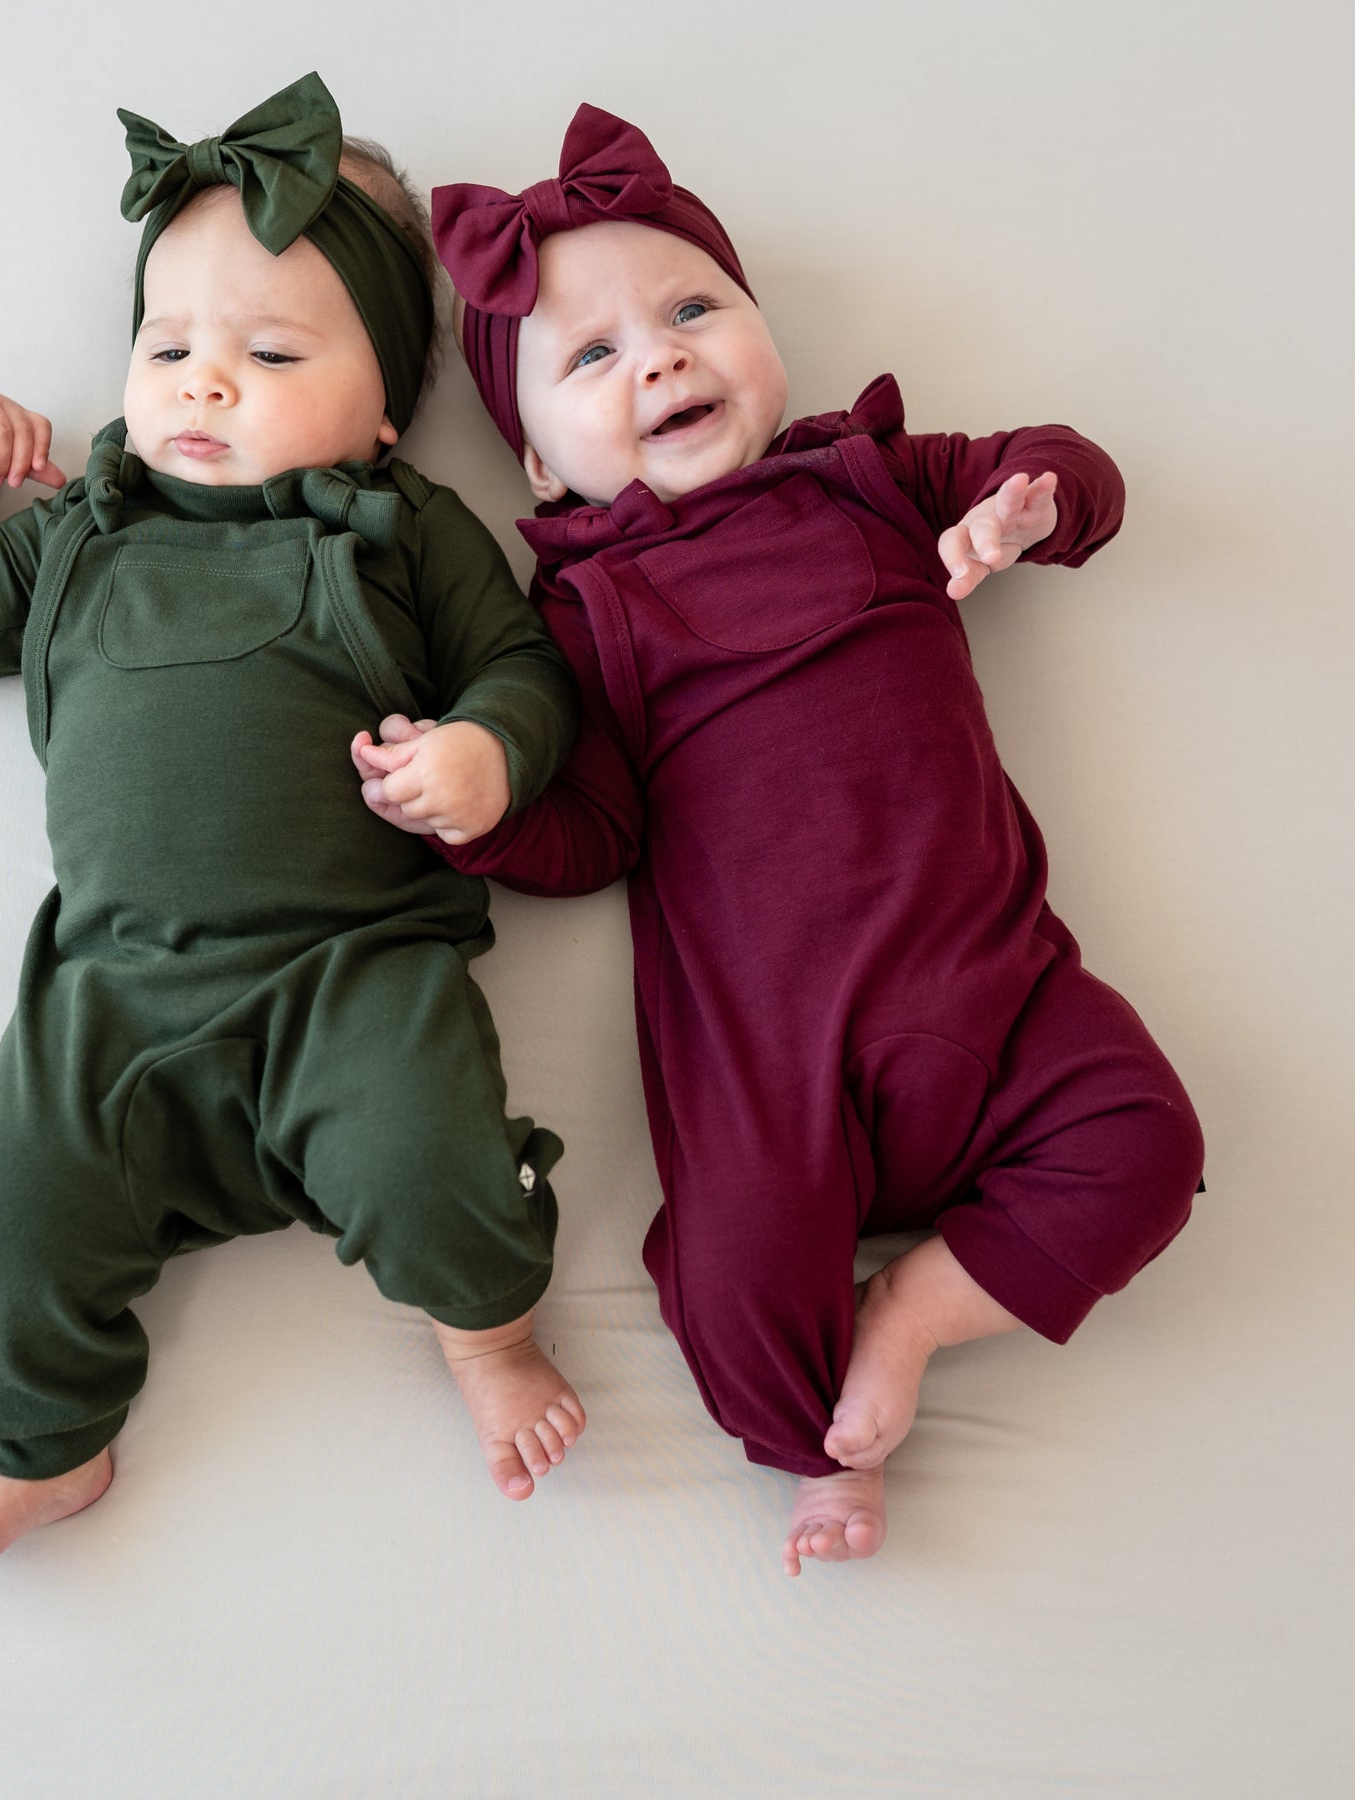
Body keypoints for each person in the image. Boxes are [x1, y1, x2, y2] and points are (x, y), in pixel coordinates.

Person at [357, 104, 1203, 1577]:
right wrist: (487, 812)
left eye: (693, 309)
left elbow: (1071, 463)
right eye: (595, 357)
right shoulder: (587, 609)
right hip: (767, 1060)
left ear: (763, 330)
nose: (664, 357)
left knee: (1150, 1143)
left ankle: (916, 1311)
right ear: (544, 474)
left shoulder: (873, 481)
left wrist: (1033, 506)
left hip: (995, 996)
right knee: (739, 1294)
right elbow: (598, 828)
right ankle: (822, 1450)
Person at [0, 73, 586, 1584]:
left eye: (268, 351)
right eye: (167, 345)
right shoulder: (79, 529)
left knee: (430, 1158)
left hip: (350, 972)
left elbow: (523, 669)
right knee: (15, 1204)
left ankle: (489, 1337)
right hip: (111, 990)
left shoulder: (400, 527)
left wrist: (485, 757)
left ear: (382, 410)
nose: (201, 383)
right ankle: (45, 1449)